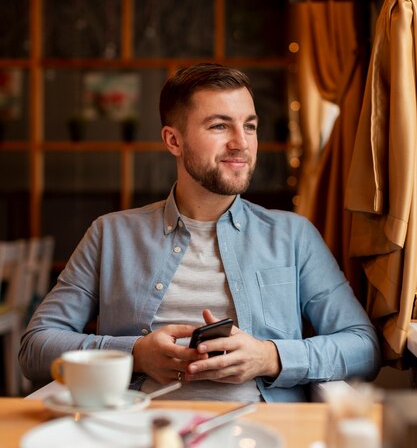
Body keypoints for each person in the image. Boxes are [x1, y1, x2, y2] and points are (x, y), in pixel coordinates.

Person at [19, 63, 381, 402]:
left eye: (250, 126)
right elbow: (35, 348)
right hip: (132, 429)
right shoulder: (109, 235)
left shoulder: (294, 236)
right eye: (220, 126)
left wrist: (269, 357)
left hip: (262, 431)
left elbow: (364, 347)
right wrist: (135, 354)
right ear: (173, 141)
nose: (241, 142)